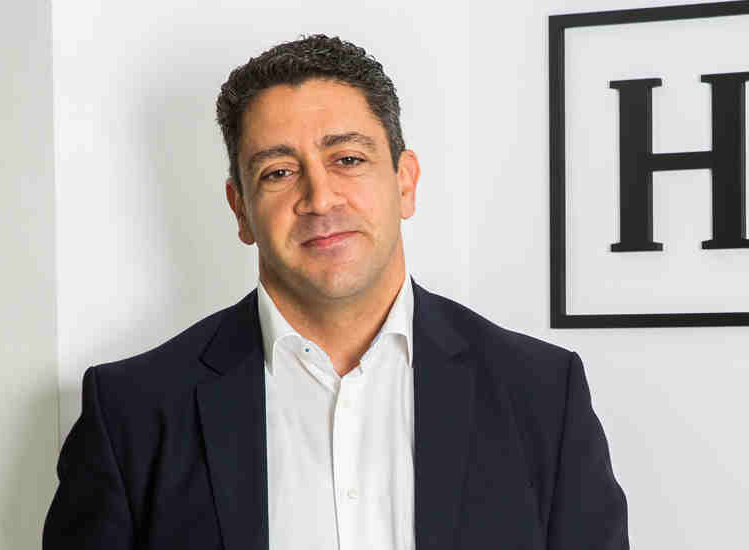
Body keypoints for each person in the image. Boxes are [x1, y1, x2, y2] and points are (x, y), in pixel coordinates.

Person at [43, 34, 629, 549]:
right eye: (278, 172)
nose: (320, 198)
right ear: (240, 209)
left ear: (405, 182)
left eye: (347, 158)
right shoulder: (132, 414)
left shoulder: (541, 395)